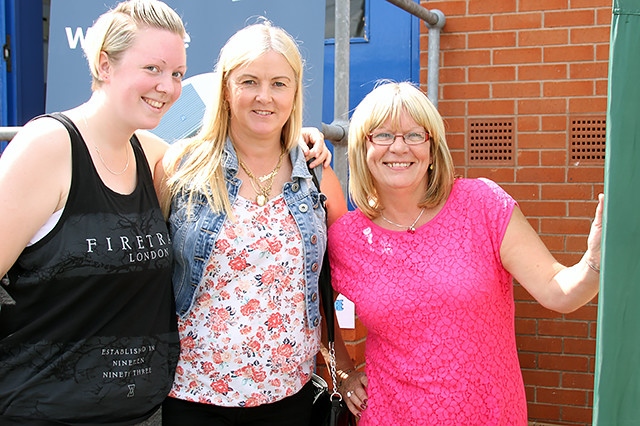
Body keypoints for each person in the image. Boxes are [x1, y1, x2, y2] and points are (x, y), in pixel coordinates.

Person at [0, 1, 328, 424]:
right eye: (152, 69)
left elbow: (234, 150)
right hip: (42, 408)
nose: (168, 87)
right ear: (104, 64)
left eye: (176, 74)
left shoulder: (153, 157)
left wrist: (296, 136)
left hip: (135, 411)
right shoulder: (47, 146)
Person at [329, 81, 603, 425]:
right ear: (362, 148)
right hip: (390, 414)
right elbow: (323, 309)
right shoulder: (347, 237)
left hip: (488, 413)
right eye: (382, 135)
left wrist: (595, 261)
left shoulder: (482, 205)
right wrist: (343, 371)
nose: (399, 148)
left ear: (432, 148)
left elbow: (558, 290)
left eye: (415, 135)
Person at [159, 19, 356, 426]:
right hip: (194, 397)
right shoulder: (183, 168)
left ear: (295, 92)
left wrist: (349, 366)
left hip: (291, 397)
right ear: (227, 89)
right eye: (249, 81)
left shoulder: (316, 177)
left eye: (279, 84)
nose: (264, 97)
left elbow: (348, 281)